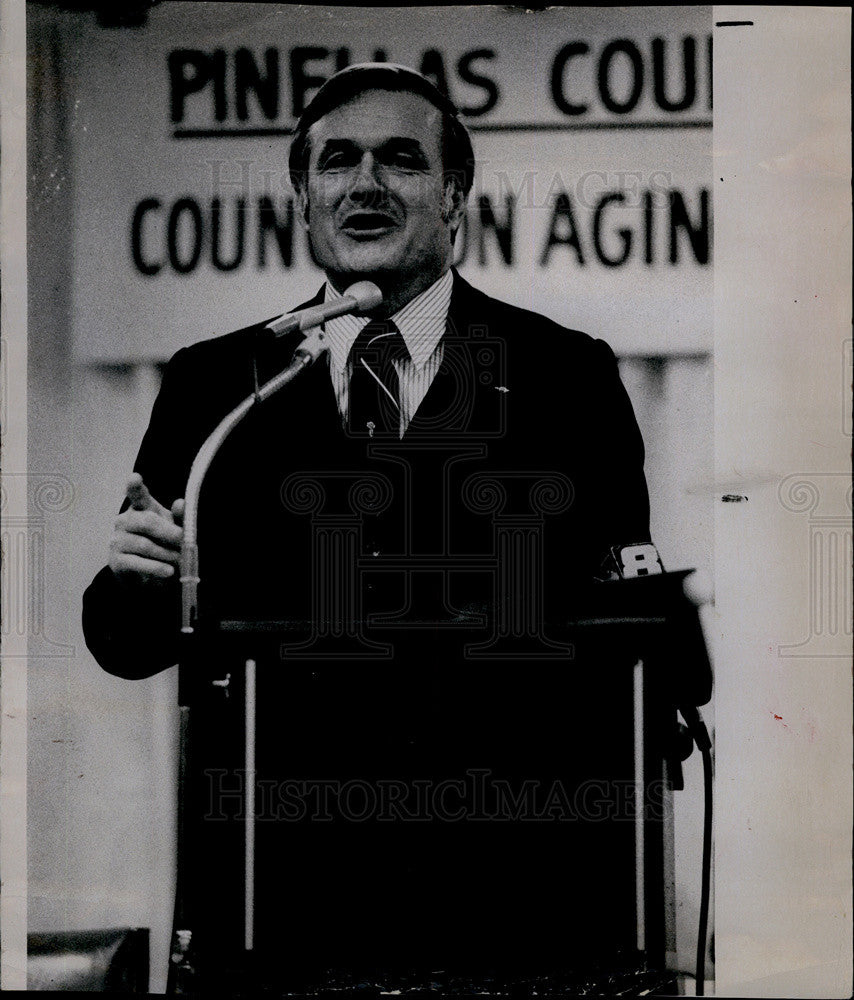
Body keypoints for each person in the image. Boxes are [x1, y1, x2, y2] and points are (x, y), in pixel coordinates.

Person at [83, 64, 651, 987]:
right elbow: (127, 642)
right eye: (337, 162)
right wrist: (142, 579)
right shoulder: (218, 385)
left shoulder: (565, 376)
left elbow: (621, 626)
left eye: (402, 160)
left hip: (512, 900)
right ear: (303, 199)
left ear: (454, 196)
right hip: (285, 899)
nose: (366, 184)